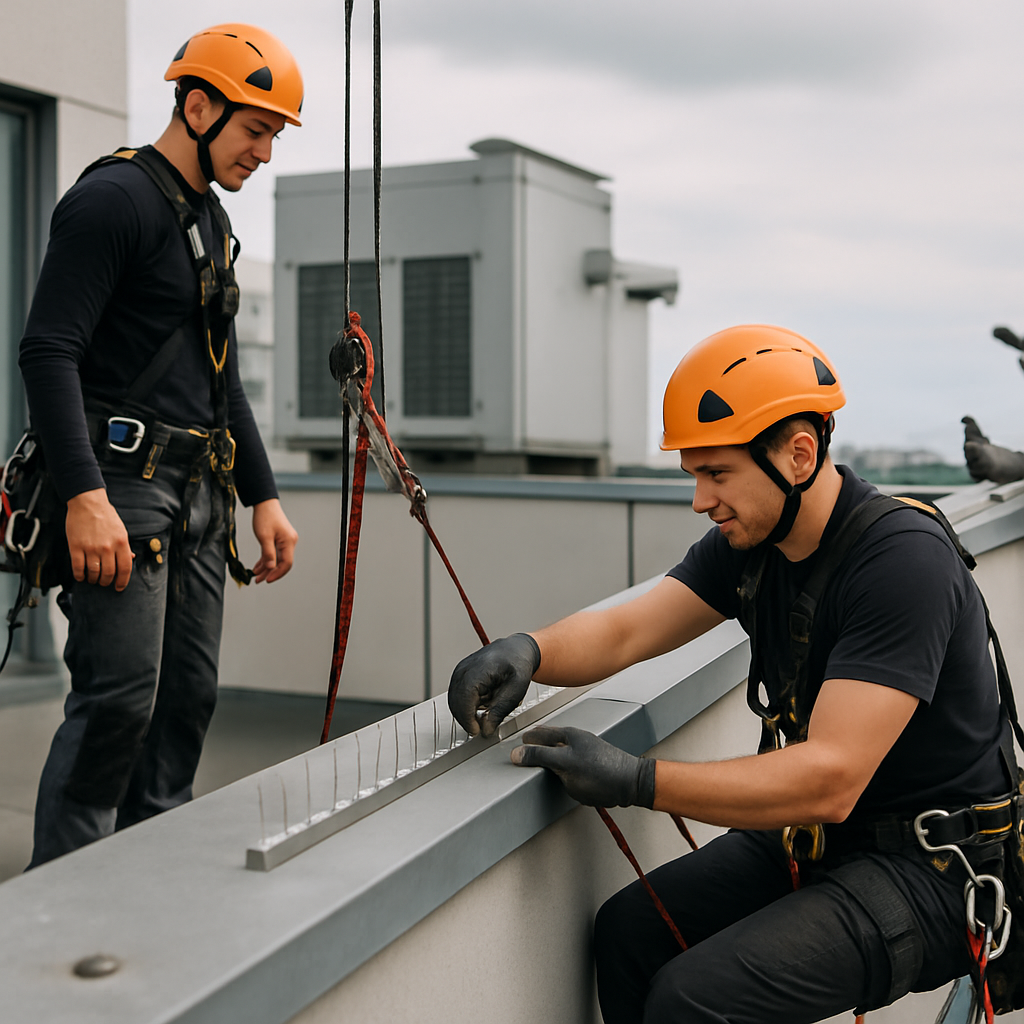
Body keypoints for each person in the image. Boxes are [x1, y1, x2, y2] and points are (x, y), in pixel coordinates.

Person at [448, 324, 1014, 1023]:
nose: (701, 501)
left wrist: (639, 782)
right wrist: (527, 652)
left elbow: (831, 779)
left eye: (717, 474)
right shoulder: (753, 546)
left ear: (798, 455)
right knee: (632, 934)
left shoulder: (901, 564)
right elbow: (629, 627)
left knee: (694, 1001)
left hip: (929, 870)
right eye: (695, 475)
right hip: (827, 840)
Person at [19, 24, 302, 867]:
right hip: (118, 487)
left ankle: (149, 885)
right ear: (199, 104)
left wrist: (264, 496)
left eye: (273, 137)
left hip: (199, 493)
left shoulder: (209, 220)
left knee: (185, 699)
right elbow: (48, 350)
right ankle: (60, 899)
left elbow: (222, 382)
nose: (264, 153)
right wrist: (83, 496)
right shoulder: (114, 200)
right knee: (118, 702)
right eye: (256, 130)